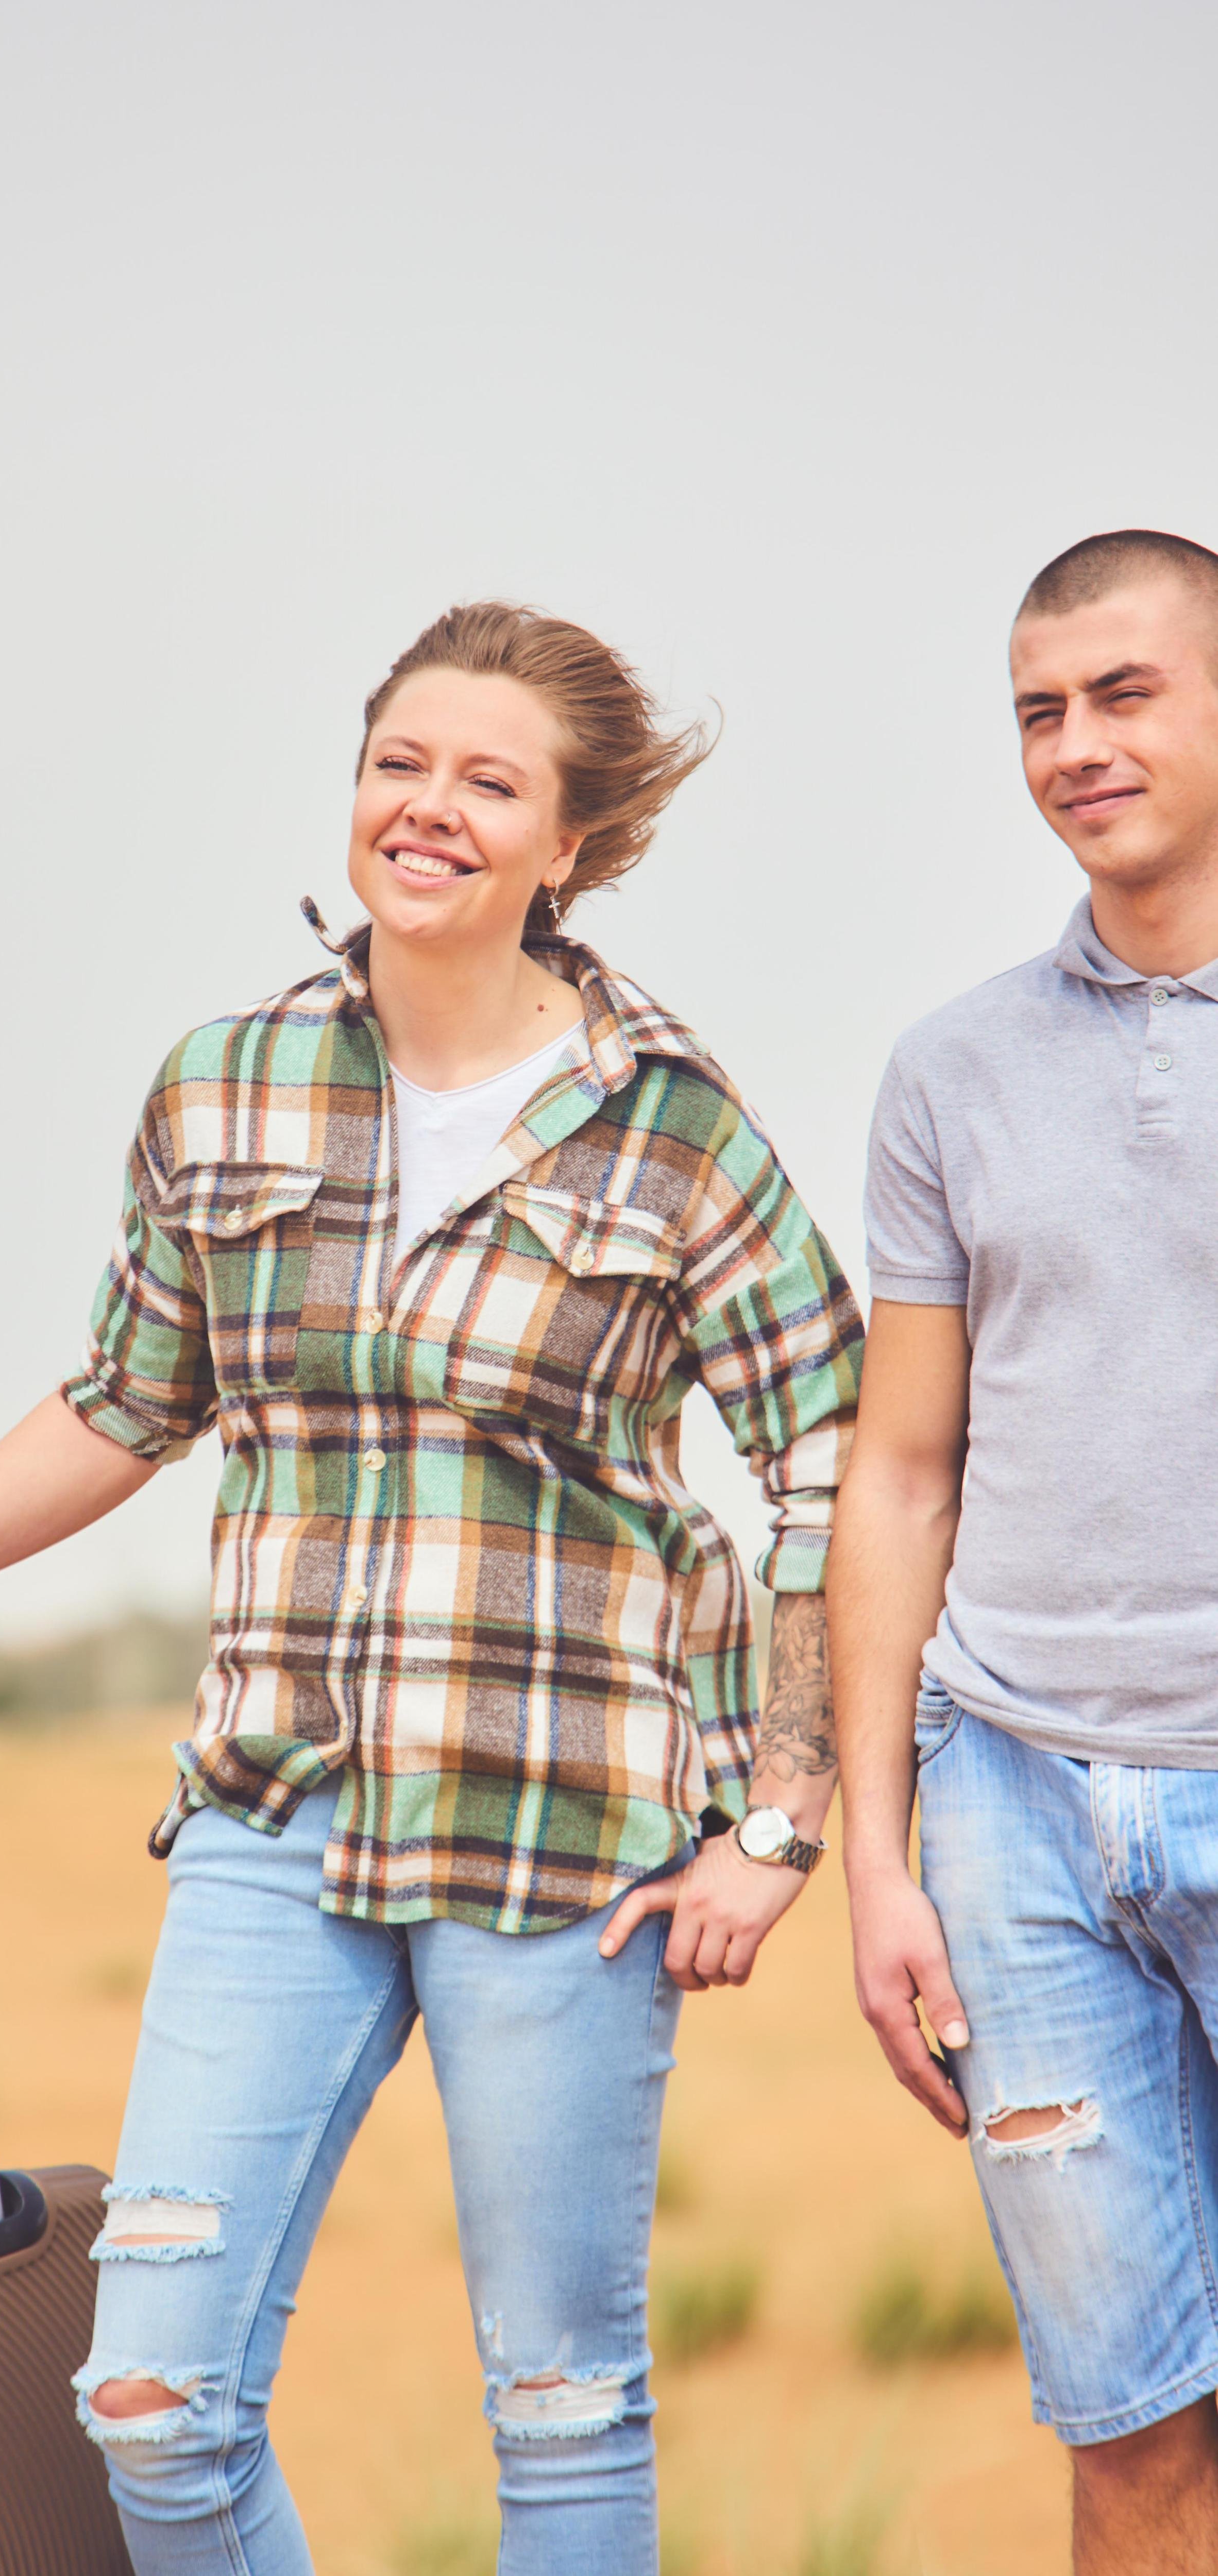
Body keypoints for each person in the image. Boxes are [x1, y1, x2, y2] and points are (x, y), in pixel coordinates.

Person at [0, 601, 862, 2576]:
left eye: (489, 782)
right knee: (151, 2404)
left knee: (562, 2408)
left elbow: (836, 1470)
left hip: (564, 1828)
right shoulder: (225, 1086)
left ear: (567, 845)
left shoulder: (683, 1136)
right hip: (273, 1809)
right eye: (399, 761)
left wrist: (780, 1818)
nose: (429, 809)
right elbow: (124, 1401)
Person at [830, 529, 1218, 2575]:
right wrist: (888, 1856)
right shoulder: (951, 1069)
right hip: (1022, 1818)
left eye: (1125, 693)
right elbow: (900, 1474)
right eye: (1040, 711)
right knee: (1129, 2423)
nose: (1075, 746)